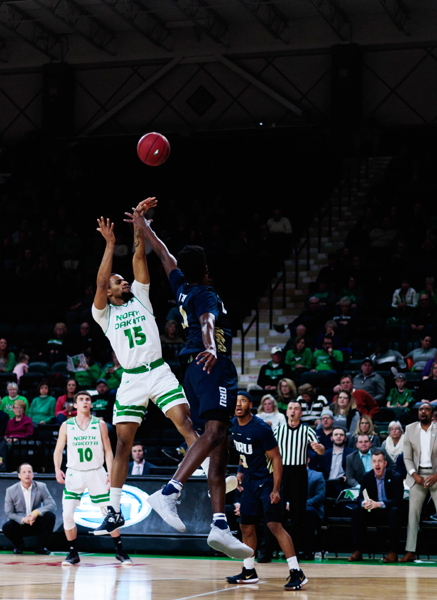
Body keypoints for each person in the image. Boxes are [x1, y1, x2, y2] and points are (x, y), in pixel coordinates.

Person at [124, 201, 250, 560]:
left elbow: (164, 255)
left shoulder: (181, 285)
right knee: (213, 434)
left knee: (220, 441)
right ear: (207, 271)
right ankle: (169, 491)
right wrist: (210, 347)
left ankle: (220, 525)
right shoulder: (206, 293)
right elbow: (208, 322)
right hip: (211, 364)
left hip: (192, 369)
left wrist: (142, 225)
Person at [91, 203, 225, 540]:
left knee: (186, 423)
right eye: (117, 282)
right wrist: (109, 245)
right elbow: (102, 280)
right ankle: (114, 509)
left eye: (122, 281)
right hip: (132, 379)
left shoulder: (140, 297)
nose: (122, 283)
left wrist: (138, 230)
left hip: (158, 371)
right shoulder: (103, 314)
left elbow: (140, 261)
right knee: (123, 444)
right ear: (108, 290)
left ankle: (211, 478)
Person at [226, 392, 307, 590]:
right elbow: (242, 451)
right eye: (236, 401)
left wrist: (277, 489)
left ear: (250, 405)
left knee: (274, 525)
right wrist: (240, 471)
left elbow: (277, 459)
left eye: (243, 401)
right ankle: (249, 571)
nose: (238, 404)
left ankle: (297, 572)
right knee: (246, 526)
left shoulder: (261, 428)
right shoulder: (233, 425)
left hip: (268, 482)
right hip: (250, 482)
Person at [53, 391, 132, 566]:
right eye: (81, 400)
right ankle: (73, 553)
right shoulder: (66, 425)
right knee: (67, 515)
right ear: (75, 405)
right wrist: (57, 469)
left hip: (97, 472)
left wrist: (111, 472)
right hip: (74, 473)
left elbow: (108, 450)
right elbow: (58, 450)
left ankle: (120, 551)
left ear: (91, 404)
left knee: (110, 514)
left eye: (88, 399)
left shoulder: (100, 424)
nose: (85, 402)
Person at [274, 401, 325, 554]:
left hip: (299, 473)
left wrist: (319, 448)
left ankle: (295, 550)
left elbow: (320, 449)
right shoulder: (278, 431)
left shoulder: (306, 430)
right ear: (286, 412)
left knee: (298, 514)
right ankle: (272, 549)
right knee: (277, 511)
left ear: (301, 413)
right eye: (290, 408)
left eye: (296, 409)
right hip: (281, 471)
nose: (293, 411)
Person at [348, 449, 404, 563]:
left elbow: (397, 500)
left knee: (394, 511)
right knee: (356, 512)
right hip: (372, 512)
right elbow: (360, 497)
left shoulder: (395, 477)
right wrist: (364, 503)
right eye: (374, 461)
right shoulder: (366, 477)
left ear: (385, 463)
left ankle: (393, 552)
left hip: (388, 511)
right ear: (372, 463)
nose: (377, 464)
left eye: (380, 461)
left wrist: (378, 504)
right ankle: (358, 550)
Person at [400, 402, 437, 562]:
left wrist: (436, 476)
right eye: (421, 409)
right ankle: (410, 550)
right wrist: (414, 475)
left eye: (427, 409)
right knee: (412, 514)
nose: (423, 412)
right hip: (417, 475)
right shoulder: (409, 429)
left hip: (436, 475)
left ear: (432, 413)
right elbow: (407, 457)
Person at [3, 462, 56, 554]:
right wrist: (23, 519)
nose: (27, 474)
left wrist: (36, 512)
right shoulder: (11, 491)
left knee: (50, 517)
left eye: (29, 472)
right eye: (24, 472)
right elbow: (8, 513)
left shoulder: (41, 487)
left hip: (35, 521)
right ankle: (19, 546)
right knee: (7, 527)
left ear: (33, 474)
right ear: (19, 475)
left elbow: (52, 504)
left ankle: (40, 547)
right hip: (21, 524)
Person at [316, 426, 354, 497]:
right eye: (336, 434)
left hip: (342, 485)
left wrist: (347, 476)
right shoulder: (324, 454)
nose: (338, 436)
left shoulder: (352, 454)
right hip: (326, 484)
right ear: (331, 438)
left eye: (341, 435)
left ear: (345, 438)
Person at [304, 464, 325, 560]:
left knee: (307, 512)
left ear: (308, 460)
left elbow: (320, 496)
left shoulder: (317, 475)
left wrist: (302, 504)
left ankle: (308, 551)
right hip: (291, 507)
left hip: (312, 507)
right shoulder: (287, 473)